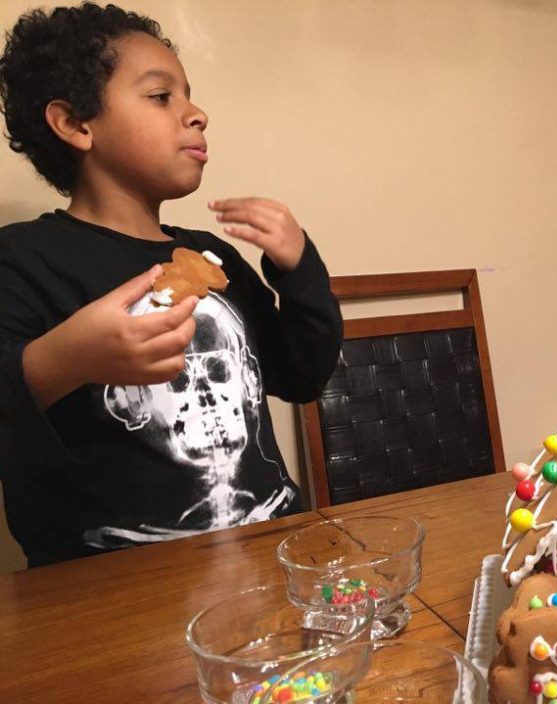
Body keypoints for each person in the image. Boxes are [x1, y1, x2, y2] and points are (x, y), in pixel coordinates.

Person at [0, 2, 343, 567]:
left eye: (190, 95)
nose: (197, 113)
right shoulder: (22, 262)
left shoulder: (213, 256)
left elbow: (302, 375)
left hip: (272, 563)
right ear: (75, 124)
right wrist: (64, 358)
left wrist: (300, 268)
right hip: (114, 601)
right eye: (162, 97)